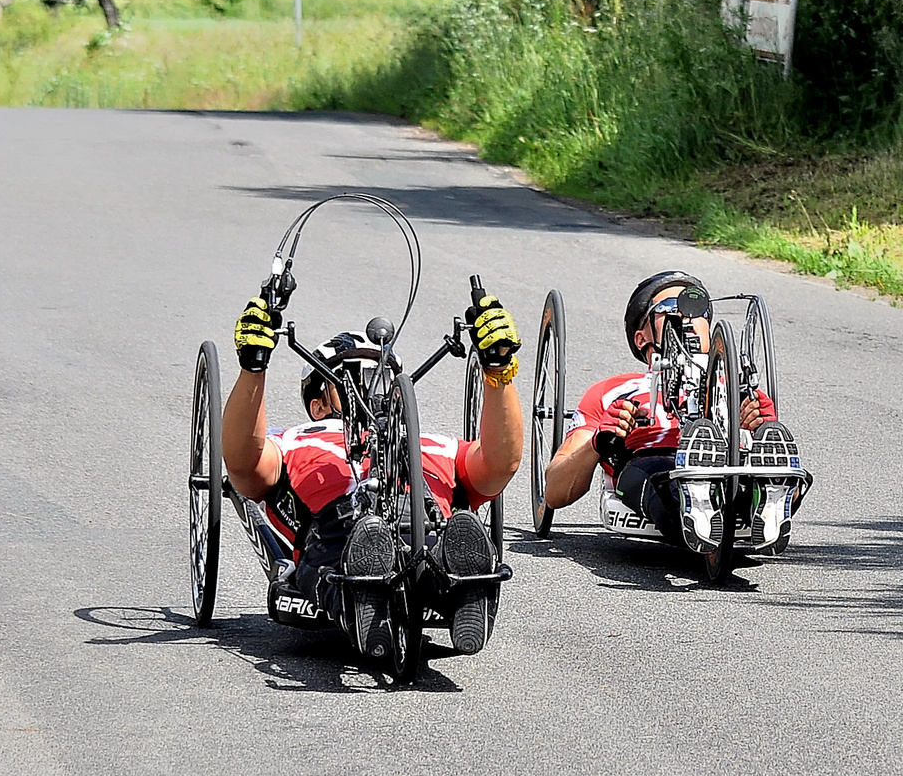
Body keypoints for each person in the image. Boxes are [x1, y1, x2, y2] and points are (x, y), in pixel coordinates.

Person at [221, 286, 524, 661]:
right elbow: (243, 465)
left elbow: (499, 465)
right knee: (349, 549)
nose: (369, 385)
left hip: (424, 524)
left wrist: (497, 368)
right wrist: (254, 366)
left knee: (442, 545)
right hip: (337, 528)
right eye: (352, 375)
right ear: (317, 404)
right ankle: (366, 600)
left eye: (379, 375)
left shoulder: (430, 443)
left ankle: (463, 589)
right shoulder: (294, 439)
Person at [543, 271, 804, 555]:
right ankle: (696, 494)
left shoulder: (737, 389)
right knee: (660, 476)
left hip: (732, 465)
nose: (687, 317)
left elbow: (759, 424)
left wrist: (759, 425)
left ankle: (767, 492)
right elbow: (555, 491)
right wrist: (600, 440)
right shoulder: (612, 391)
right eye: (671, 309)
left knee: (768, 459)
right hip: (653, 463)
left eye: (697, 307)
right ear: (641, 338)